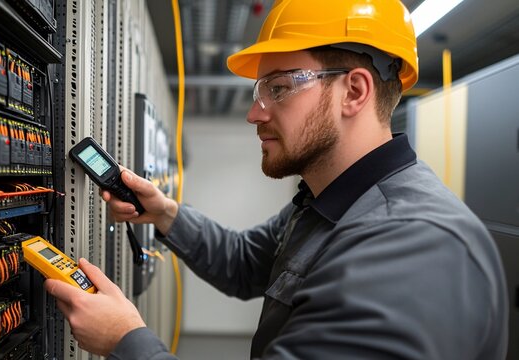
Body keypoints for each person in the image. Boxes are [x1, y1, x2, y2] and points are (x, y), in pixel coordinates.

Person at [45, 0, 508, 358]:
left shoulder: (411, 248)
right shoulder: (330, 204)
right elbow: (246, 262)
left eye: (279, 88)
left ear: (354, 91)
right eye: (259, 90)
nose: (254, 112)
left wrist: (125, 340)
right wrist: (165, 214)